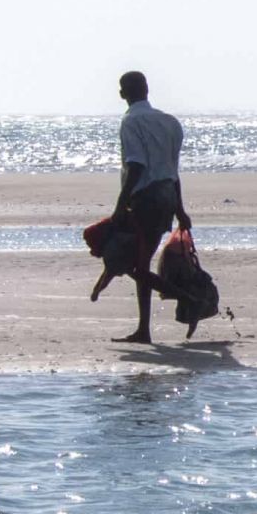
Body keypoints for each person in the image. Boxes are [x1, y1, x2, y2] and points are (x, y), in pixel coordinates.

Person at [106, 70, 191, 343]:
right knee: (140, 262)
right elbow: (172, 171)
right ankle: (143, 329)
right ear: (147, 89)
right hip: (166, 197)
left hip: (146, 200)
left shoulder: (131, 122)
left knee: (136, 266)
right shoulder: (170, 122)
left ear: (122, 94)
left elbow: (137, 166)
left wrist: (121, 204)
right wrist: (179, 209)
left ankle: (188, 299)